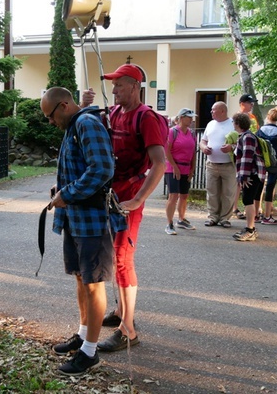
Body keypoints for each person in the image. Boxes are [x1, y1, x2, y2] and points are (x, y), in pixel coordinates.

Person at [83, 63, 167, 353]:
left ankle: (128, 330)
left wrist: (139, 199)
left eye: (119, 84)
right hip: (111, 193)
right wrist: (85, 106)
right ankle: (121, 312)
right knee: (114, 255)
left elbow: (159, 163)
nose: (114, 89)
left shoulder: (147, 118)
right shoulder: (116, 113)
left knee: (122, 258)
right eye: (113, 84)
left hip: (129, 196)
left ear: (135, 86)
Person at [42, 86, 116, 376]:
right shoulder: (73, 126)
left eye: (50, 115)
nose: (50, 122)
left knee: (94, 283)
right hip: (75, 219)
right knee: (81, 278)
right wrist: (61, 190)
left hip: (92, 220)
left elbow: (102, 169)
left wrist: (68, 193)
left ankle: (90, 351)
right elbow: (80, 168)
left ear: (63, 105)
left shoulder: (86, 123)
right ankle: (84, 334)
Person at [199, 101, 236, 228]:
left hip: (228, 165)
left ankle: (225, 218)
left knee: (228, 193)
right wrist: (204, 148)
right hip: (211, 164)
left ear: (222, 111)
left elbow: (241, 142)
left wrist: (231, 147)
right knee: (212, 192)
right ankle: (212, 216)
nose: (211, 112)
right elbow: (203, 140)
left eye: (213, 110)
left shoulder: (233, 124)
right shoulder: (210, 124)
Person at [231, 113, 265, 241]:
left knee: (248, 200)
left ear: (238, 124)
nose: (233, 125)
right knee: (249, 200)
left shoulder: (248, 137)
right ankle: (251, 228)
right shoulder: (247, 136)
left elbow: (247, 157)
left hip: (251, 174)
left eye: (234, 122)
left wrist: (243, 177)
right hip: (253, 173)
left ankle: (250, 229)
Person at [164, 108, 198, 235]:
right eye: (189, 117)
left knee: (184, 195)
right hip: (172, 168)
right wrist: (174, 167)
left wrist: (192, 169)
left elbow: (193, 152)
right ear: (181, 118)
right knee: (173, 195)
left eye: (192, 117)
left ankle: (181, 219)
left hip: (186, 168)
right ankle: (169, 223)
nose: (191, 120)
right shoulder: (173, 132)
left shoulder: (192, 134)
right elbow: (167, 151)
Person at [256, 106, 277, 224]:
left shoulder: (260, 131)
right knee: (270, 188)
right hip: (275, 164)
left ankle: (255, 214)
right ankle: (267, 216)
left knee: (259, 187)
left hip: (261, 162)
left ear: (267, 117)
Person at [233, 94, 259, 220]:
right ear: (242, 103)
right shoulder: (236, 118)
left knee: (246, 187)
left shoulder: (253, 118)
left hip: (249, 152)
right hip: (240, 152)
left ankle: (249, 212)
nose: (252, 105)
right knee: (238, 183)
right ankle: (234, 207)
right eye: (250, 103)